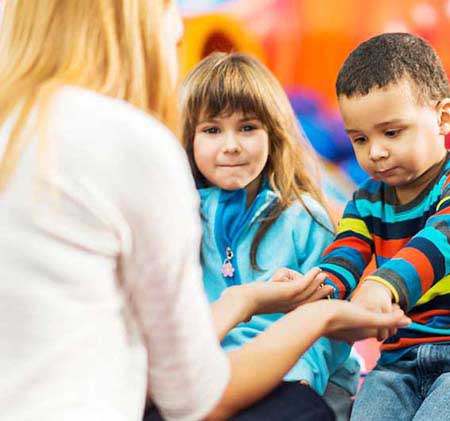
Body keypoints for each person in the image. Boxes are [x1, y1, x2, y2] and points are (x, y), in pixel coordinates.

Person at [0, 1, 409, 419]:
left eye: (247, 128)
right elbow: (191, 392)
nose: (178, 27)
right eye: (165, 9)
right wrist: (319, 316)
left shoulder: (18, 132)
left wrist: (262, 312)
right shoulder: (134, 147)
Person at [318, 32, 450, 421]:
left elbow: (442, 240)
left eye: (391, 132)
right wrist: (317, 286)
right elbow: (344, 254)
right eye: (360, 139)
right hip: (399, 360)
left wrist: (383, 284)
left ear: (443, 117)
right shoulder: (367, 200)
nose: (376, 151)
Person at [180, 52, 360, 418]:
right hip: (222, 378)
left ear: (273, 135)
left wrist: (300, 376)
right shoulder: (182, 218)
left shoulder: (305, 218)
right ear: (190, 140)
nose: (231, 144)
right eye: (212, 130)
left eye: (247, 128)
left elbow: (327, 325)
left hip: (302, 378)